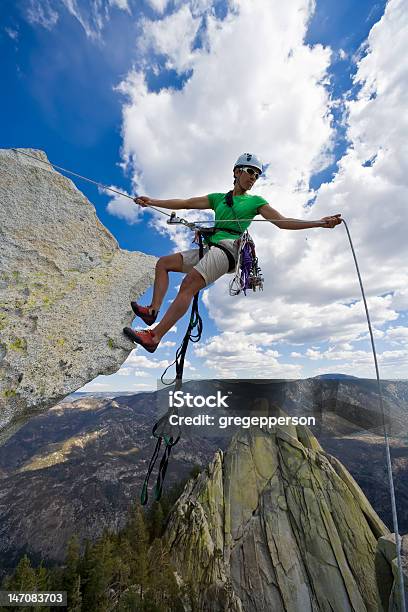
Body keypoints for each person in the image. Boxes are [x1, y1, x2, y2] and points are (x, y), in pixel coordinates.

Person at [123, 153, 342, 353]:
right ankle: (152, 310)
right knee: (163, 263)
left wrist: (320, 223)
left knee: (189, 284)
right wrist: (151, 201)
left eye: (257, 175)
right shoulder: (219, 198)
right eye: (250, 172)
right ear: (237, 172)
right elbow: (186, 203)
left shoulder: (256, 202)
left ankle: (154, 336)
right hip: (211, 248)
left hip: (228, 249)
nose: (254, 177)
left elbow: (282, 222)